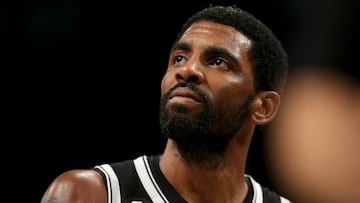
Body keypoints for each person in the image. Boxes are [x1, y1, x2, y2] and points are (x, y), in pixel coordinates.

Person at [40, 5, 290, 203]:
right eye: (179, 58)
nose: (188, 70)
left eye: (217, 62)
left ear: (263, 107)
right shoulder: (90, 194)